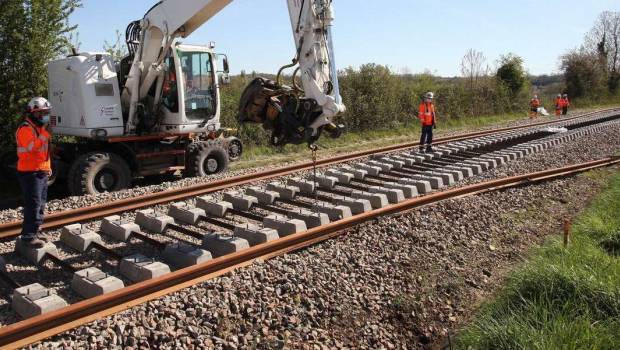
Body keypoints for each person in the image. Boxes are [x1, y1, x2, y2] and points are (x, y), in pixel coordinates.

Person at [15, 97, 52, 247]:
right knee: (33, 205)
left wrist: (48, 168)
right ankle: (28, 236)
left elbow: (44, 153)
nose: (44, 116)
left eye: (46, 112)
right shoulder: (25, 128)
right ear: (32, 113)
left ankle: (36, 230)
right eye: (41, 113)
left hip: (40, 171)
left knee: (41, 204)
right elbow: (31, 149)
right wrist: (45, 135)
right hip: (29, 173)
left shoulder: (39, 128)